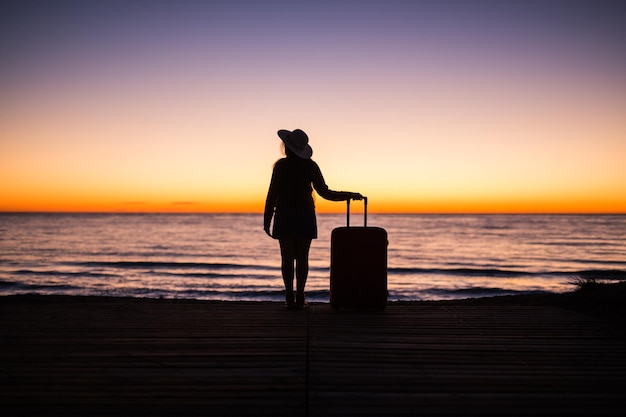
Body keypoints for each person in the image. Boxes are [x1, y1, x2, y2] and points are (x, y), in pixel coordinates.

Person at [264, 129, 362, 310]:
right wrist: (349, 195)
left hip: (285, 214)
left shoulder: (281, 167)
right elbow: (325, 192)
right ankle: (300, 296)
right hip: (305, 215)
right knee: (302, 258)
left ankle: (289, 297)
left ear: (287, 147)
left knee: (287, 259)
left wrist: (267, 219)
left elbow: (272, 194)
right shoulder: (310, 166)